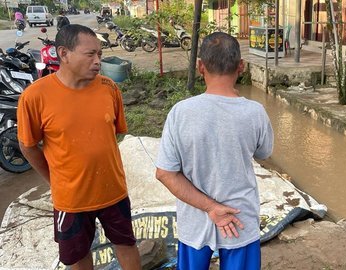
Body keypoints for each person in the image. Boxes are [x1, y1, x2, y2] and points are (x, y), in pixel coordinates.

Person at [17, 24, 141, 270]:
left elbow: (111, 136)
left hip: (113, 191)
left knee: (126, 244)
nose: (97, 61)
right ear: (64, 54)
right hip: (71, 200)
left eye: (100, 55)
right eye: (90, 54)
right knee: (78, 256)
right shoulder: (35, 96)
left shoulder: (109, 89)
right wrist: (55, 180)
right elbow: (28, 146)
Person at [155, 32, 273, 270]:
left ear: (200, 66)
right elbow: (263, 153)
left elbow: (165, 173)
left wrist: (210, 208)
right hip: (240, 218)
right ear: (241, 66)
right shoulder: (255, 112)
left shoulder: (181, 112)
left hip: (195, 220)